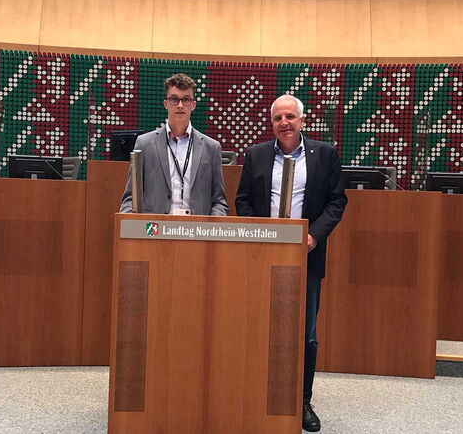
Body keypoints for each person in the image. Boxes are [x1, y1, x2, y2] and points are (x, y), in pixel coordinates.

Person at [235, 94, 347, 433]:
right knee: (259, 326)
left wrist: (313, 236)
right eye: (277, 118)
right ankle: (256, 395)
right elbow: (243, 200)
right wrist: (258, 238)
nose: (284, 123)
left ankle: (302, 401)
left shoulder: (325, 154)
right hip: (262, 256)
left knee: (305, 334)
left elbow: (336, 201)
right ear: (272, 123)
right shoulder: (255, 155)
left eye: (290, 117)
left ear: (302, 120)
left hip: (306, 257)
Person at [120, 73, 228, 216]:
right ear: (166, 104)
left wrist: (211, 230)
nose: (180, 105)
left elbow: (219, 201)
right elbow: (130, 199)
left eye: (186, 100)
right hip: (155, 230)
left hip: (196, 231)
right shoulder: (144, 144)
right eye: (174, 99)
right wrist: (131, 227)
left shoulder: (211, 148)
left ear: (194, 105)